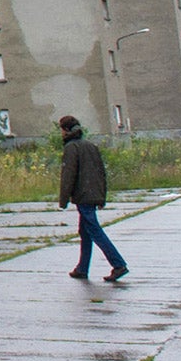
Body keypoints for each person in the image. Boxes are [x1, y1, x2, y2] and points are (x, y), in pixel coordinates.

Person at [58, 114, 128, 283]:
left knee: (94, 230)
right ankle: (82, 268)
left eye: (61, 129)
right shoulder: (91, 146)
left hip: (83, 196)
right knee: (85, 232)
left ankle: (118, 265)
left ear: (66, 130)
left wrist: (63, 200)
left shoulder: (71, 148)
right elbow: (101, 173)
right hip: (93, 194)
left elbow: (69, 175)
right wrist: (101, 197)